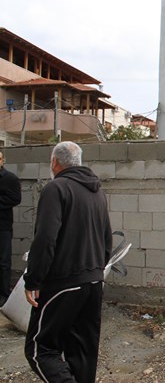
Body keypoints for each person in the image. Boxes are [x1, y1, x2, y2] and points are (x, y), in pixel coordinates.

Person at [23, 141, 112, 383]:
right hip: (93, 282)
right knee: (81, 351)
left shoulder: (56, 188)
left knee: (40, 349)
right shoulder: (97, 193)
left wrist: (33, 280)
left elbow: (45, 238)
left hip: (63, 282)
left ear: (55, 162)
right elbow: (106, 241)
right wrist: (95, 271)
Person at [0, 151, 21, 307]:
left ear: (2, 160)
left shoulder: (10, 178)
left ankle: (4, 294)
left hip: (3, 226)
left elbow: (15, 198)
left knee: (3, 261)